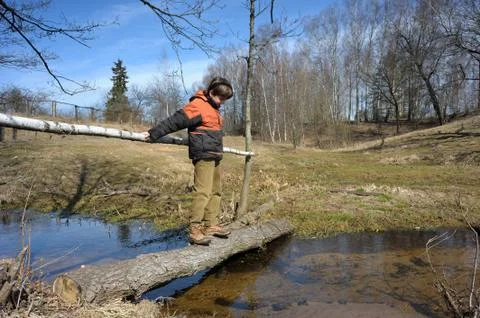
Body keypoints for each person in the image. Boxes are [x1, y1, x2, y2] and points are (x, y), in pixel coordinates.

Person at [143, 77, 234, 246]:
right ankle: (195, 229)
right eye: (220, 98)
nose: (221, 102)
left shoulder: (214, 108)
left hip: (214, 155)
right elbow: (176, 120)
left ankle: (211, 225)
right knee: (203, 192)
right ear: (212, 92)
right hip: (203, 155)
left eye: (224, 100)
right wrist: (154, 133)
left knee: (216, 191)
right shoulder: (198, 105)